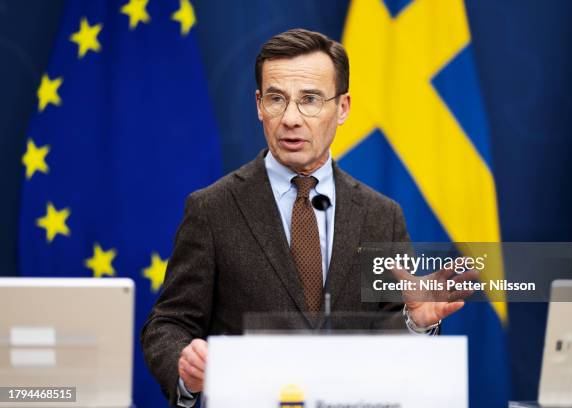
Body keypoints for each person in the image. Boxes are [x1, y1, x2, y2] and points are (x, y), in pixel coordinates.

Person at [141, 28, 470, 407]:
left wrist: (415, 323)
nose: (291, 118)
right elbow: (169, 323)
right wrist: (186, 368)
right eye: (277, 99)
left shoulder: (381, 216)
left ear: (342, 107)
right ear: (259, 105)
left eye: (310, 100)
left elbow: (388, 337)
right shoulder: (213, 209)